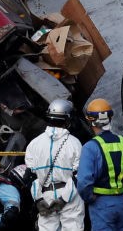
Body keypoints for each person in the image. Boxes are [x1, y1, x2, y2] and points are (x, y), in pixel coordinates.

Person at [76, 98, 123, 231]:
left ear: (90, 120)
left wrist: (89, 198)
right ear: (110, 118)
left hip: (101, 204)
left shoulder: (90, 147)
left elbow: (83, 181)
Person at [26, 99, 85, 231]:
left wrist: (38, 200)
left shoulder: (34, 144)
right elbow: (79, 177)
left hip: (45, 197)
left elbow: (30, 177)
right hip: (71, 198)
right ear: (67, 119)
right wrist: (63, 200)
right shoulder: (75, 144)